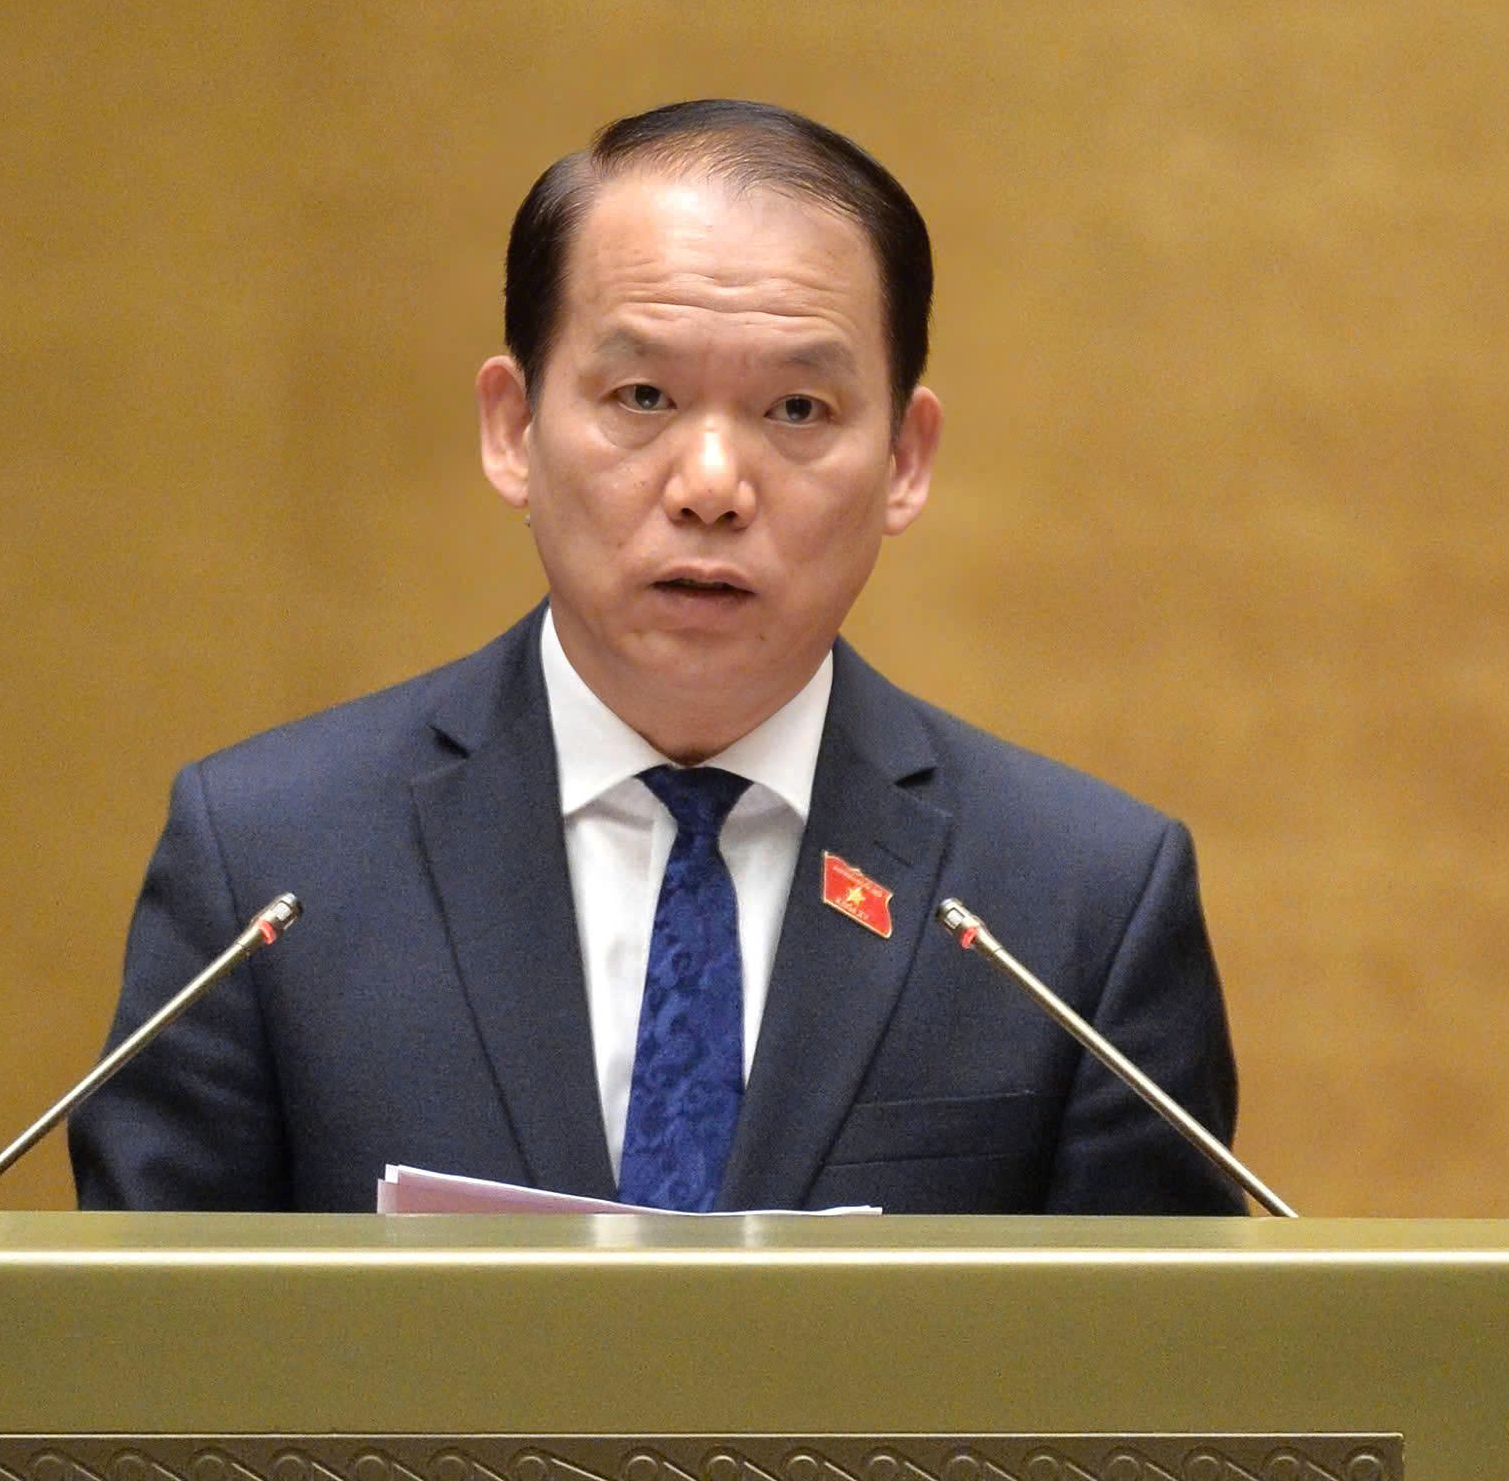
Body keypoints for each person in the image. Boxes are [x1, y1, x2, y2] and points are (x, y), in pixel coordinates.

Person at [69, 100, 1244, 1215]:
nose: (712, 486)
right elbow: (149, 1343)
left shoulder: (1072, 906)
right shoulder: (270, 867)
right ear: (513, 428)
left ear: (905, 460)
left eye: (797, 410)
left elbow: (1159, 1356)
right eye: (642, 396)